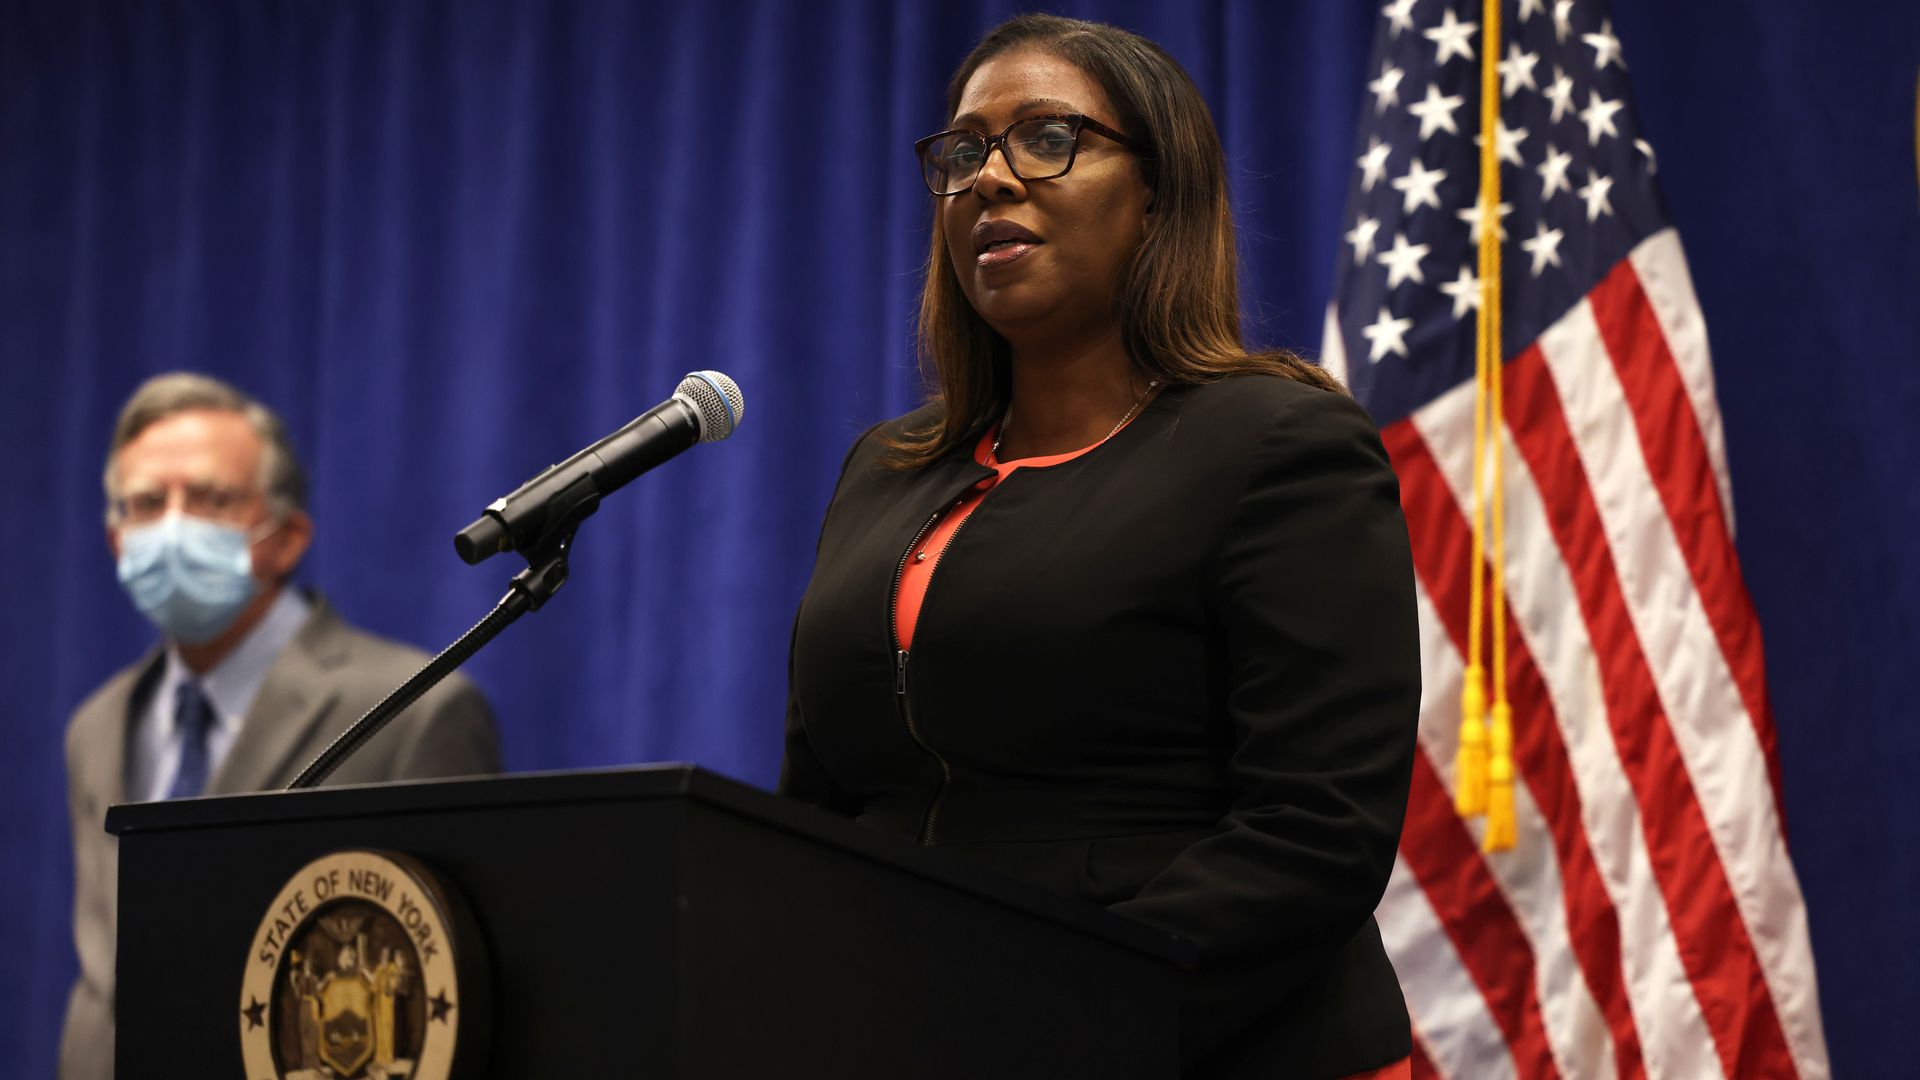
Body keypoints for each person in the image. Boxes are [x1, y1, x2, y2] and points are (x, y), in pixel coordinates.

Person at [780, 15, 1419, 1080]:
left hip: (1202, 1043)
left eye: (1047, 139)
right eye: (964, 152)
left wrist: (1047, 1013)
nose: (990, 179)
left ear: (1159, 193)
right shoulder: (885, 469)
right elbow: (820, 809)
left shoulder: (1277, 444)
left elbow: (1316, 830)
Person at [60, 372, 500, 1080]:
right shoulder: (96, 725)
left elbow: (446, 991)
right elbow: (105, 972)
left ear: (287, 537)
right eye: (146, 504)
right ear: (117, 540)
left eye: (211, 499)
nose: (173, 527)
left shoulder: (416, 709)